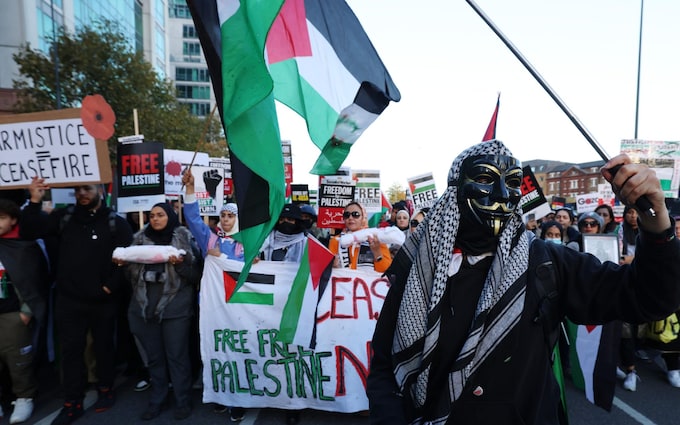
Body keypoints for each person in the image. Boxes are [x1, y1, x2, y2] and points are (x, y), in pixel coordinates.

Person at [367, 139, 680, 425]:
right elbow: (385, 366)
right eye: (486, 180)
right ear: (455, 193)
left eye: (513, 183)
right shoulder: (419, 268)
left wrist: (655, 219)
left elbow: (649, 298)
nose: (504, 195)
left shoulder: (546, 261)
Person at [20, 178, 133, 425]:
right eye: (78, 189)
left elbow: (126, 261)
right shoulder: (64, 218)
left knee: (103, 347)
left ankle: (105, 389)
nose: (82, 193)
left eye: (87, 188)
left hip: (103, 301)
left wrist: (108, 288)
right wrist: (35, 200)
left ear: (99, 191)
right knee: (71, 353)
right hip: (69, 300)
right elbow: (28, 231)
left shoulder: (117, 223)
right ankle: (72, 402)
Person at [114, 203, 201, 421]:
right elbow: (131, 278)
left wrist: (180, 265)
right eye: (152, 216)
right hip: (145, 308)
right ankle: (158, 399)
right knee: (154, 358)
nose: (155, 219)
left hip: (175, 309)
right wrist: (123, 264)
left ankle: (182, 400)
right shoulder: (138, 241)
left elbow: (195, 276)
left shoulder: (184, 240)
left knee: (177, 357)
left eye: (160, 215)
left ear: (170, 216)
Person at [182, 168, 245, 421]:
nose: (226, 219)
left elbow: (249, 269)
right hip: (211, 307)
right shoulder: (210, 240)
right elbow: (193, 219)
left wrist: (226, 258)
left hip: (237, 307)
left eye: (231, 216)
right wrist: (190, 188)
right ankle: (220, 394)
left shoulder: (248, 243)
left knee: (237, 352)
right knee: (214, 350)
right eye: (224, 215)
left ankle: (238, 398)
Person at [0, 198, 48, 424]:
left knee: (18, 359)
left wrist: (26, 312)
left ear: (13, 220)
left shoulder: (24, 245)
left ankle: (24, 397)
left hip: (14, 314)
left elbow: (36, 280)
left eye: (1, 218)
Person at [328, 202, 392, 273]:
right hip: (344, 283)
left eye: (355, 214)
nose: (350, 218)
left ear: (363, 217)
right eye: (347, 215)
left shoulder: (375, 238)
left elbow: (386, 270)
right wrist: (333, 267)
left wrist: (377, 253)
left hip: (368, 283)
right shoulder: (336, 241)